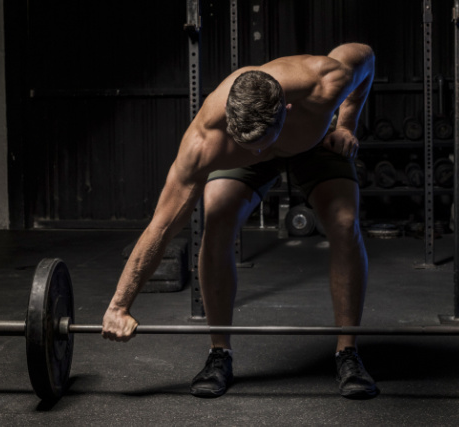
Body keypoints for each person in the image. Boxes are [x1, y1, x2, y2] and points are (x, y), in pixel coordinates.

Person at [102, 42, 377, 399]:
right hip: (241, 148)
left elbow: (365, 57)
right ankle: (220, 353)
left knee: (344, 223)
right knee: (216, 221)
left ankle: (347, 353)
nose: (259, 152)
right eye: (248, 142)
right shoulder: (206, 138)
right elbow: (162, 226)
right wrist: (119, 306)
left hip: (314, 142)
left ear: (286, 110)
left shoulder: (324, 81)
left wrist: (347, 123)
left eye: (262, 142)